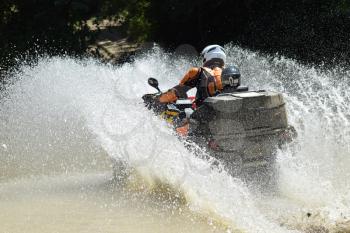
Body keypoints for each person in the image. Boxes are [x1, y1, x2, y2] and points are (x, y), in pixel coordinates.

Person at [158, 44, 227, 107]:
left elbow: (177, 92)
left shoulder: (198, 72)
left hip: (203, 115)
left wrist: (158, 99)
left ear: (206, 57)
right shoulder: (230, 73)